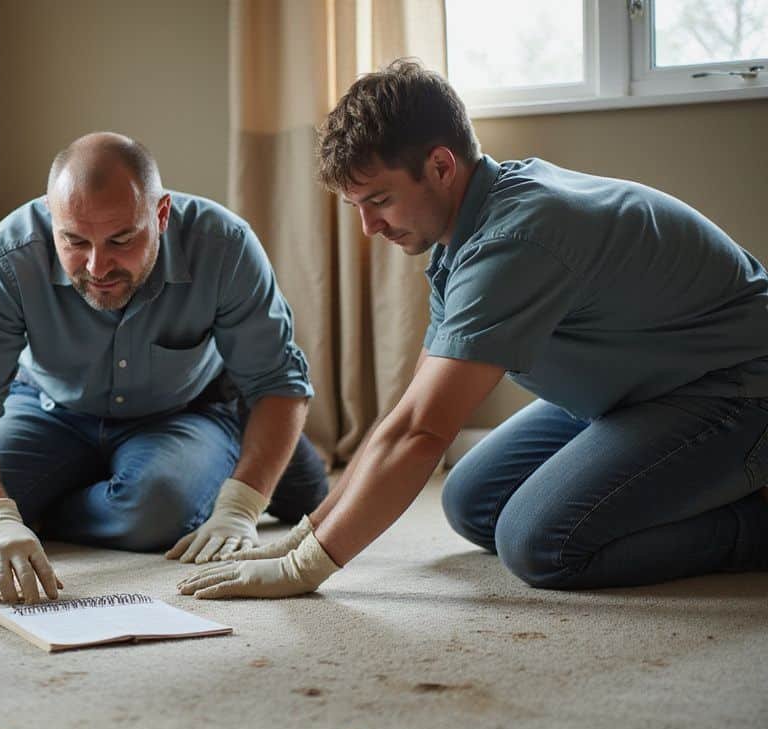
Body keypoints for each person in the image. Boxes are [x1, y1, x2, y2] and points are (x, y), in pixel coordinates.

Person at [179, 58, 768, 599]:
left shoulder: (515, 239)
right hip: (635, 388)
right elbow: (407, 414)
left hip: (733, 388)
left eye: (379, 200)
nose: (368, 227)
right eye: (356, 205)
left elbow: (422, 433)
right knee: (471, 501)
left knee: (540, 544)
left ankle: (753, 523)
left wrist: (303, 571)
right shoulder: (463, 233)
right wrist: (306, 532)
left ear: (440, 165)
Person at [0, 132, 330, 604]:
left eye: (121, 239)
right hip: (49, 407)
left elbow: (277, 381)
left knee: (169, 512)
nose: (97, 265)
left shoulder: (223, 243)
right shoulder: (8, 254)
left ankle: (58, 499)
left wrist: (241, 506)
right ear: (50, 215)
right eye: (74, 240)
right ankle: (53, 499)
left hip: (182, 409)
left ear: (160, 214)